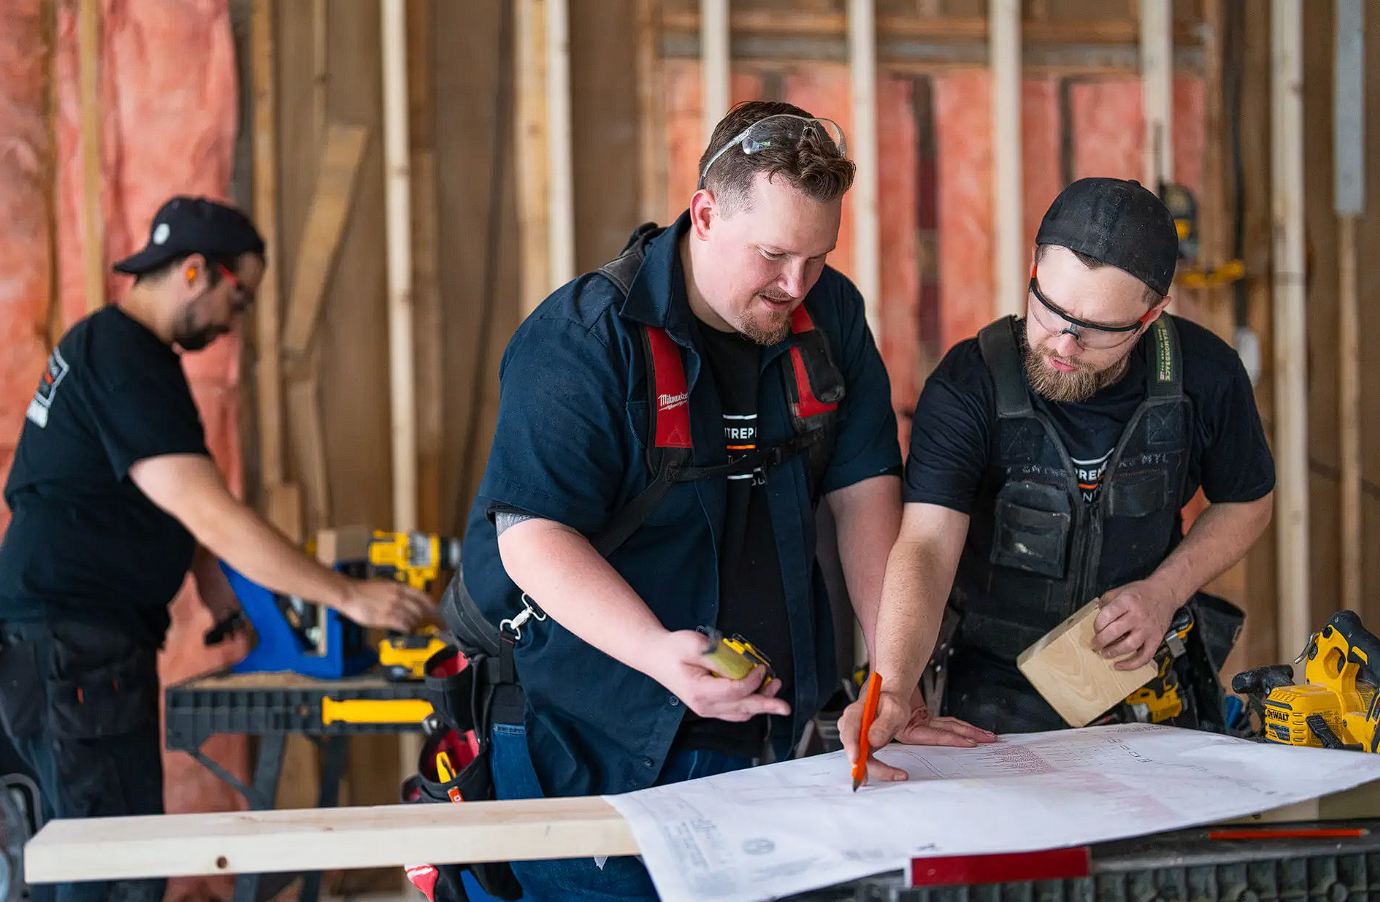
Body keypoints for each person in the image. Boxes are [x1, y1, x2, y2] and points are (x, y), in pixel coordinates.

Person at [460, 100, 991, 902]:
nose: (795, 284)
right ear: (705, 213)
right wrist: (655, 651)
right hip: (587, 738)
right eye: (775, 255)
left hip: (772, 741)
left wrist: (893, 674)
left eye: (817, 257)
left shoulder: (829, 314)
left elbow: (865, 495)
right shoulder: (585, 339)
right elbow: (531, 537)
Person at [0, 196, 433, 902]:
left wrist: (211, 578)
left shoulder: (126, 357)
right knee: (108, 877)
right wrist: (348, 595)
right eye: (242, 296)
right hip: (68, 649)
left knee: (93, 865)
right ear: (197, 270)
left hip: (64, 643)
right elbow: (209, 509)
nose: (241, 319)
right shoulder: (123, 356)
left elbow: (166, 501)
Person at [840, 177, 1275, 783]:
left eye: (1096, 328)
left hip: (1142, 674)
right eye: (1051, 309)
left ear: (1149, 317)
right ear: (1035, 271)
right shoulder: (969, 386)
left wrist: (1165, 591)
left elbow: (1248, 502)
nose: (1064, 343)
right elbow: (927, 543)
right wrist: (893, 680)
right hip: (991, 685)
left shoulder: (1205, 375)